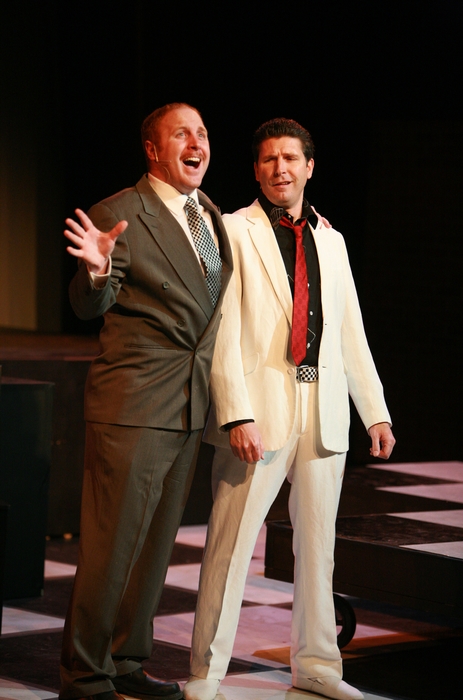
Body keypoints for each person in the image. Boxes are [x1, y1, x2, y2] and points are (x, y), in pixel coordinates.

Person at [183, 118, 395, 700]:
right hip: (258, 408)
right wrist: (235, 412)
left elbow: (351, 331)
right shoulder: (233, 229)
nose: (281, 168)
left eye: (291, 158)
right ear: (256, 170)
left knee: (318, 548)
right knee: (230, 546)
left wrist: (375, 411)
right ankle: (205, 672)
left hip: (322, 406)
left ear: (309, 167)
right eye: (269, 159)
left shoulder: (331, 239)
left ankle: (318, 666)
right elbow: (220, 330)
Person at [59, 103, 233, 700]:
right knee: (112, 548)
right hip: (134, 405)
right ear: (153, 150)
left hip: (188, 405)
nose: (196, 143)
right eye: (182, 133)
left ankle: (126, 659)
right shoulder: (121, 212)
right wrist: (97, 271)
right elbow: (90, 303)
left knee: (155, 549)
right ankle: (85, 675)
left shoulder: (210, 214)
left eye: (202, 133)